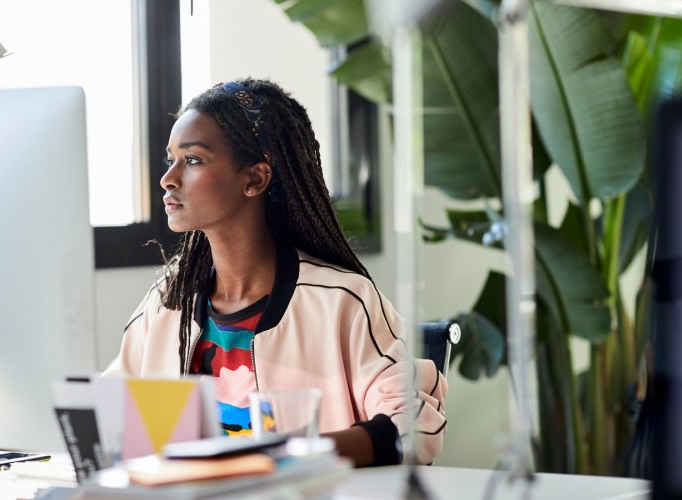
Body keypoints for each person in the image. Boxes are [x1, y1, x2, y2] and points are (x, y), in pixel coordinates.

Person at [105, 78, 447, 467]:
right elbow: (110, 410)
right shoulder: (169, 299)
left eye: (194, 159)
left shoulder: (342, 301)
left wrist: (288, 456)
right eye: (172, 160)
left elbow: (416, 425)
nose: (169, 178)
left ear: (254, 178)